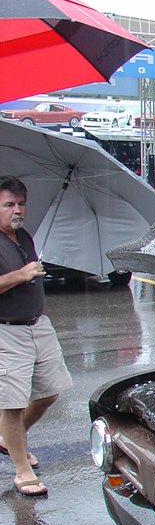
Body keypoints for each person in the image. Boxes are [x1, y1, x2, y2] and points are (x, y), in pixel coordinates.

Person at [0, 177, 73, 496]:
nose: (17, 210)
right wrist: (22, 274)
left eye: (20, 204)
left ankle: (8, 438)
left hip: (37, 325)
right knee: (12, 403)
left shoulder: (23, 237)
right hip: (7, 330)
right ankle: (21, 469)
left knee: (50, 392)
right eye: (9, 204)